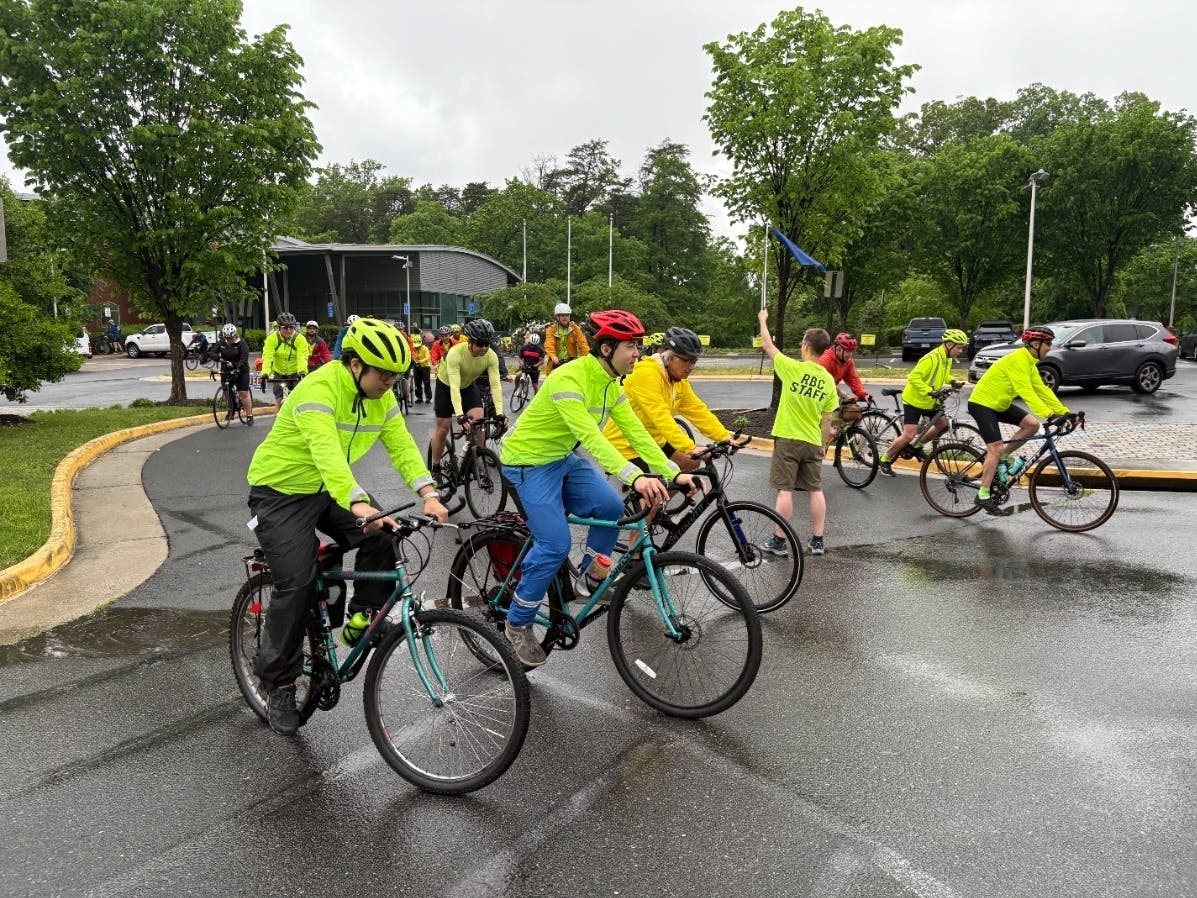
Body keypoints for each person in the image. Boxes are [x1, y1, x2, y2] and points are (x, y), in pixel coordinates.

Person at [246, 317, 449, 735]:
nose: (390, 382)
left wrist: (428, 491)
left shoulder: (381, 398)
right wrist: (357, 501)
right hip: (280, 492)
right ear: (355, 365)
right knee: (297, 581)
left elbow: (403, 446)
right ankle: (278, 681)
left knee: (386, 532)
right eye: (383, 374)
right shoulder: (318, 390)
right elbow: (327, 456)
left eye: (396, 376)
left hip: (329, 490)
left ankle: (361, 616)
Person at [498, 310, 697, 666]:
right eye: (630, 346)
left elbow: (634, 431)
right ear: (606, 349)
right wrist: (635, 476)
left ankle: (588, 578)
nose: (637, 353)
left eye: (638, 346)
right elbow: (592, 438)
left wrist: (671, 470)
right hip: (527, 462)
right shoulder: (568, 379)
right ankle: (518, 621)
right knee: (555, 544)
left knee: (611, 507)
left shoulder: (611, 384)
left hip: (560, 459)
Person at [756, 308, 837, 557]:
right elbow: (828, 418)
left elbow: (768, 346)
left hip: (788, 438)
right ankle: (818, 540)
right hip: (813, 442)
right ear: (824, 350)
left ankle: (779, 542)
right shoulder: (828, 380)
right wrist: (824, 444)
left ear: (805, 346)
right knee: (815, 489)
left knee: (785, 490)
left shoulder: (792, 368)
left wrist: (763, 320)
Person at [967, 325, 1072, 513]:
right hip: (981, 404)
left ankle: (1003, 458)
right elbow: (1026, 392)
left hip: (999, 404)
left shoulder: (1029, 362)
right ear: (1034, 344)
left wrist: (1064, 412)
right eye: (1047, 343)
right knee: (995, 448)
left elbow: (1041, 390)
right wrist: (1049, 415)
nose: (1050, 347)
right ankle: (983, 495)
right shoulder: (1017, 361)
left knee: (1031, 425)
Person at [604, 326, 733, 473]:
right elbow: (661, 417)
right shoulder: (646, 374)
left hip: (653, 439)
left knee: (690, 463)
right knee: (650, 490)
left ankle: (664, 497)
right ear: (670, 358)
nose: (691, 367)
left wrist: (724, 436)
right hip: (625, 443)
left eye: (694, 361)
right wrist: (690, 447)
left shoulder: (678, 379)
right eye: (687, 361)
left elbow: (697, 410)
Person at [877, 328, 969, 477]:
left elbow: (942, 375)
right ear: (949, 344)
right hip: (915, 399)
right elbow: (913, 378)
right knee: (909, 434)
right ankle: (885, 459)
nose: (960, 351)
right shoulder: (931, 358)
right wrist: (929, 390)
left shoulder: (947, 358)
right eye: (958, 347)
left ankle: (917, 446)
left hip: (929, 400)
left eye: (962, 347)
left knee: (942, 424)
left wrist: (952, 381)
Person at [429, 318, 505, 482]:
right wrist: (460, 415)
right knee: (443, 428)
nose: (484, 348)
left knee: (479, 421)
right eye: (480, 344)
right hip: (447, 386)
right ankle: (435, 466)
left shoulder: (490, 356)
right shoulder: (456, 354)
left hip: (468, 386)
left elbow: (496, 385)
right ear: (470, 342)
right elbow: (454, 387)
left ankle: (475, 457)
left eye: (487, 343)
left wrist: (499, 413)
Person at [260, 312, 310, 416]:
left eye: (291, 328)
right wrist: (265, 373)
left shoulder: (300, 339)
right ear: (279, 328)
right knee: (278, 399)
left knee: (299, 398)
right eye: (285, 328)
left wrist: (302, 372)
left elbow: (302, 357)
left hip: (295, 372)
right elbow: (268, 356)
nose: (289, 331)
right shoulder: (272, 338)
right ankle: (277, 422)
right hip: (279, 372)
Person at [216, 323, 253, 424]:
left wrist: (237, 369)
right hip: (226, 369)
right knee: (226, 391)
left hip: (241, 370)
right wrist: (213, 357)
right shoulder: (222, 343)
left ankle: (249, 415)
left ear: (235, 335)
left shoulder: (242, 343)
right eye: (227, 338)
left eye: (231, 338)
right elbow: (213, 352)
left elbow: (244, 359)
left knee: (243, 393)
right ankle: (231, 410)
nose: (229, 340)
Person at [818, 333, 871, 403]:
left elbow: (853, 378)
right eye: (848, 351)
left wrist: (862, 394)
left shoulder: (848, 362)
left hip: (829, 392)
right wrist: (841, 394)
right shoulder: (825, 360)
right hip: (816, 393)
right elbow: (824, 383)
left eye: (851, 351)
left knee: (850, 410)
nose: (850, 354)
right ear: (838, 349)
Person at [543, 302, 588, 375]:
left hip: (570, 362)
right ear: (557, 317)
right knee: (552, 383)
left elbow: (582, 344)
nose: (565, 317)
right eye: (563, 315)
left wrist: (588, 356)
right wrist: (553, 356)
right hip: (556, 363)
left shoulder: (575, 329)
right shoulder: (551, 330)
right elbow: (549, 344)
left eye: (567, 315)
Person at [516, 331, 546, 396]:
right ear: (529, 342)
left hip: (534, 369)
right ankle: (517, 387)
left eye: (534, 346)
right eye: (531, 345)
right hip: (525, 366)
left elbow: (542, 361)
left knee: (535, 386)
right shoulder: (524, 348)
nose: (532, 347)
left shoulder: (540, 350)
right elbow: (518, 358)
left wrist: (536, 365)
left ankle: (536, 400)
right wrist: (522, 364)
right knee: (518, 375)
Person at [409, 332, 432, 404]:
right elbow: (412, 356)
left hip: (425, 367)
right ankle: (419, 397)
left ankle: (428, 397)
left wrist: (420, 361)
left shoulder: (425, 348)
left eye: (418, 346)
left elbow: (427, 357)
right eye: (416, 346)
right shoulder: (413, 349)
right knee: (417, 383)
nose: (417, 347)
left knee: (426, 382)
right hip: (416, 367)